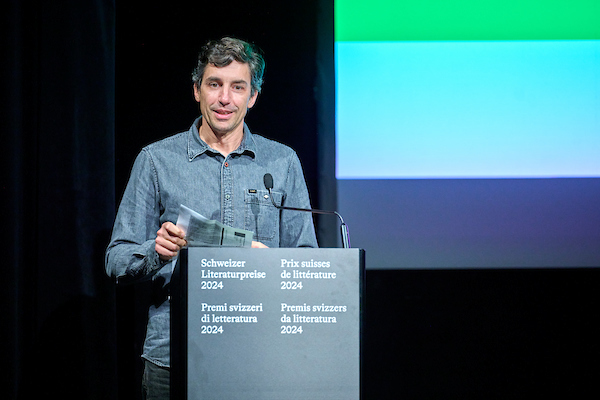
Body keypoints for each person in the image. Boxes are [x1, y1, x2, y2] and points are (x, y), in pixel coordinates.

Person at [105, 37, 318, 399]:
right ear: (197, 90)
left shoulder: (283, 162)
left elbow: (306, 260)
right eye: (214, 84)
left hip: (261, 354)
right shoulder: (156, 160)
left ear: (253, 96)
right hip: (175, 356)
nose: (225, 98)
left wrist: (274, 264)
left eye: (238, 87)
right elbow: (116, 261)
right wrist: (158, 250)